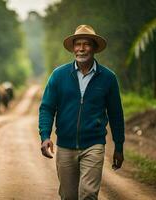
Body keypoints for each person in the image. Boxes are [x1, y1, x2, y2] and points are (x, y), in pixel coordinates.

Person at [38, 24, 125, 200]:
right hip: (65, 147)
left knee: (88, 195)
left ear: (94, 48)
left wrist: (119, 146)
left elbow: (116, 114)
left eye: (86, 44)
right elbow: (47, 108)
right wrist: (45, 136)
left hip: (94, 145)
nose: (81, 49)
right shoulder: (59, 75)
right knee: (68, 196)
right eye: (78, 44)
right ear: (73, 48)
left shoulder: (108, 78)